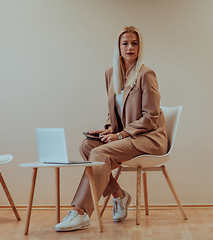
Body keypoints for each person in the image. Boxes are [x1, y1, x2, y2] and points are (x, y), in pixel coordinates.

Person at [55, 26, 168, 232]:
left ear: (139, 47)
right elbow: (115, 110)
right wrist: (108, 130)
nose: (130, 47)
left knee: (99, 152)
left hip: (149, 138)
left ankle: (80, 212)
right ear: (118, 47)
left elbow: (151, 116)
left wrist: (122, 134)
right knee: (88, 146)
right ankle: (119, 195)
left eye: (134, 43)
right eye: (125, 43)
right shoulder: (110, 74)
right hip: (125, 136)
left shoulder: (146, 74)